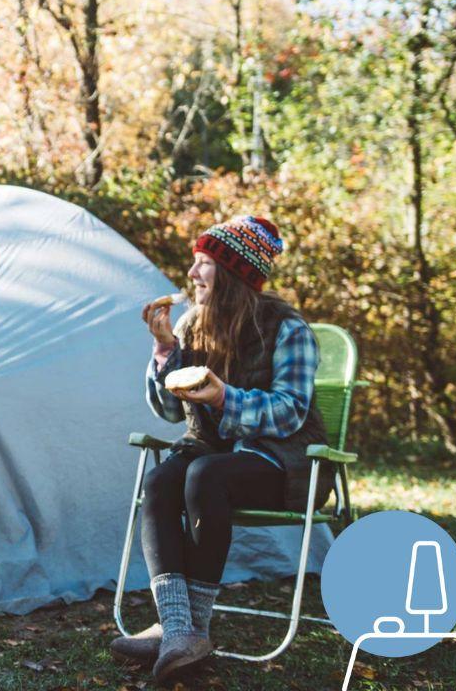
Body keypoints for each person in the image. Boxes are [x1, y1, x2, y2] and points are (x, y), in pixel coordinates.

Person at [110, 216, 333, 682]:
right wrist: (165, 351)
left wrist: (223, 397)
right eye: (194, 262)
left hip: (284, 464)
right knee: (162, 479)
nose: (191, 274)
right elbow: (171, 413)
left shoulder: (286, 328)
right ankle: (177, 629)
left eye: (204, 263)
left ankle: (189, 630)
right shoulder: (193, 325)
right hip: (215, 456)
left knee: (204, 474)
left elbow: (290, 411)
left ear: (233, 274)